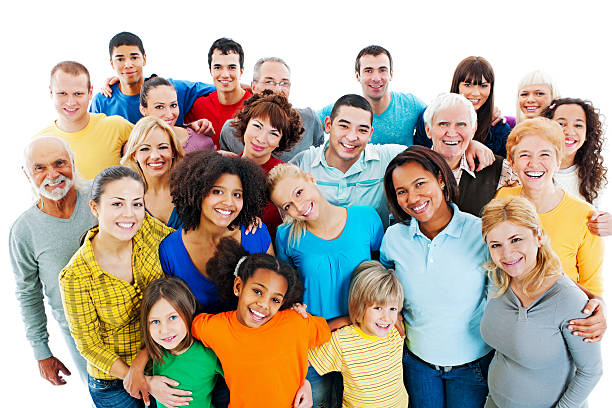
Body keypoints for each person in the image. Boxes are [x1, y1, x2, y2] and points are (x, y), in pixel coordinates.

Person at [380, 146, 493, 408]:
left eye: (420, 184)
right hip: (418, 364)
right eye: (402, 192)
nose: (413, 197)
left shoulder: (480, 232)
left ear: (441, 179)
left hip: (472, 365)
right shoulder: (394, 238)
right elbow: (385, 279)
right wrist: (392, 310)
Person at [59, 166, 177, 407]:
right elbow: (89, 345)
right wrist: (135, 376)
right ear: (95, 208)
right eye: (117, 204)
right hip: (113, 382)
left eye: (137, 204)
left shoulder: (147, 229)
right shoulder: (76, 276)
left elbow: (185, 244)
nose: (130, 214)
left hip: (161, 357)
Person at [269, 163, 384, 407]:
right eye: (287, 206)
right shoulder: (286, 235)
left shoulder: (366, 218)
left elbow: (383, 274)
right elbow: (287, 291)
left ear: (310, 179)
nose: (298, 207)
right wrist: (293, 308)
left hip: (362, 339)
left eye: (298, 193)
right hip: (315, 344)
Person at [480, 196, 602, 408]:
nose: (506, 254)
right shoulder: (497, 280)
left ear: (538, 236)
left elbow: (590, 371)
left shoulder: (570, 300)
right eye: (496, 245)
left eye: (516, 239)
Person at [191, 237, 331, 408]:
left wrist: (303, 378)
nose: (264, 305)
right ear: (238, 287)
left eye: (275, 300)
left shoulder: (296, 322)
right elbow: (192, 326)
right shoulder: (215, 327)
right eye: (257, 291)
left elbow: (324, 331)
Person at [9, 137, 95, 388]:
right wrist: (41, 351)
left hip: (133, 321)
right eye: (40, 168)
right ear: (27, 174)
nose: (53, 174)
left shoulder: (101, 197)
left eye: (60, 163)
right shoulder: (24, 230)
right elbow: (28, 294)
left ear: (73, 163)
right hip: (80, 337)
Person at [496, 117, 604, 295]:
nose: (534, 163)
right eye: (524, 155)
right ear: (512, 163)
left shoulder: (585, 215)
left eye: (544, 154)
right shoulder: (503, 197)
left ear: (558, 161)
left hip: (561, 314)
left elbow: (592, 286)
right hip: (510, 308)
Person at [159, 150, 272, 313]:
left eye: (237, 194)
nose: (229, 202)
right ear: (197, 192)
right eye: (217, 191)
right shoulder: (170, 250)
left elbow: (275, 287)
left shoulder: (255, 233)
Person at [293, 94, 406, 227]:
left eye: (362, 130)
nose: (352, 137)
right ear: (328, 125)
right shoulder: (302, 163)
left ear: (370, 134)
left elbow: (428, 159)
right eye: (344, 126)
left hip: (371, 247)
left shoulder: (386, 158)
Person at [308, 260, 408, 408]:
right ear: (359, 306)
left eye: (392, 309)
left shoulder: (395, 332)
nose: (386, 317)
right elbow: (304, 359)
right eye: (378, 308)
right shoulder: (342, 341)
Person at [422, 93, 518, 217]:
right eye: (443, 124)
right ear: (428, 129)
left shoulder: (501, 170)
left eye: (461, 124)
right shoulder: (412, 168)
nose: (451, 133)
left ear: (473, 129)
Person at [90, 32, 215, 126]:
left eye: (134, 57)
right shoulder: (102, 101)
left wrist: (190, 128)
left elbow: (218, 89)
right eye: (120, 59)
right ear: (112, 63)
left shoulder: (171, 90)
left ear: (144, 59)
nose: (128, 64)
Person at [36, 61, 133, 180]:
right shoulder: (40, 142)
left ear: (90, 92)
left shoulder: (117, 127)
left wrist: (129, 83)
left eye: (78, 94)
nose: (71, 102)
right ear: (51, 92)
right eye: (62, 93)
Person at [220, 57, 324, 161]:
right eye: (269, 82)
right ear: (253, 86)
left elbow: (323, 160)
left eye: (284, 83)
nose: (278, 89)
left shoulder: (310, 120)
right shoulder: (230, 130)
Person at [230, 90, 304, 237]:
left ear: (280, 142)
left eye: (274, 133)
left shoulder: (285, 175)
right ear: (246, 124)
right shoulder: (226, 168)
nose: (261, 138)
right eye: (257, 126)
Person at [140, 277, 223, 408]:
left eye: (172, 317)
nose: (165, 330)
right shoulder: (155, 352)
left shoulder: (209, 352)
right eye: (155, 321)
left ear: (188, 311)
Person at [318, 45, 425, 145]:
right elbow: (307, 124)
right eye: (368, 71)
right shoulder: (342, 109)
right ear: (357, 76)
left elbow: (437, 120)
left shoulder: (411, 105)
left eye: (382, 70)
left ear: (391, 74)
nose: (376, 78)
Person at [415, 56, 511, 157]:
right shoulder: (430, 116)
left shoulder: (499, 129)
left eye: (483, 86)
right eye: (468, 85)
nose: (475, 93)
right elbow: (419, 156)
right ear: (457, 85)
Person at [186, 38, 253, 148]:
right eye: (218, 67)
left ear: (241, 71)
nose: (225, 74)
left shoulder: (255, 106)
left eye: (232, 67)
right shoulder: (198, 106)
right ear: (210, 70)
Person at [121, 116, 185, 229]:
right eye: (145, 149)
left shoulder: (190, 191)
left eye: (163, 147)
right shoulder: (124, 198)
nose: (155, 156)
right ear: (134, 155)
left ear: (173, 151)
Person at [542, 98, 608, 207]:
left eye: (578, 125)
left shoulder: (593, 177)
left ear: (587, 134)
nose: (569, 132)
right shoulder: (531, 168)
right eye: (561, 124)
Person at [139, 76, 215, 152]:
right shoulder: (134, 145)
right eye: (159, 107)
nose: (169, 114)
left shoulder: (200, 142)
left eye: (173, 105)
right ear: (143, 110)